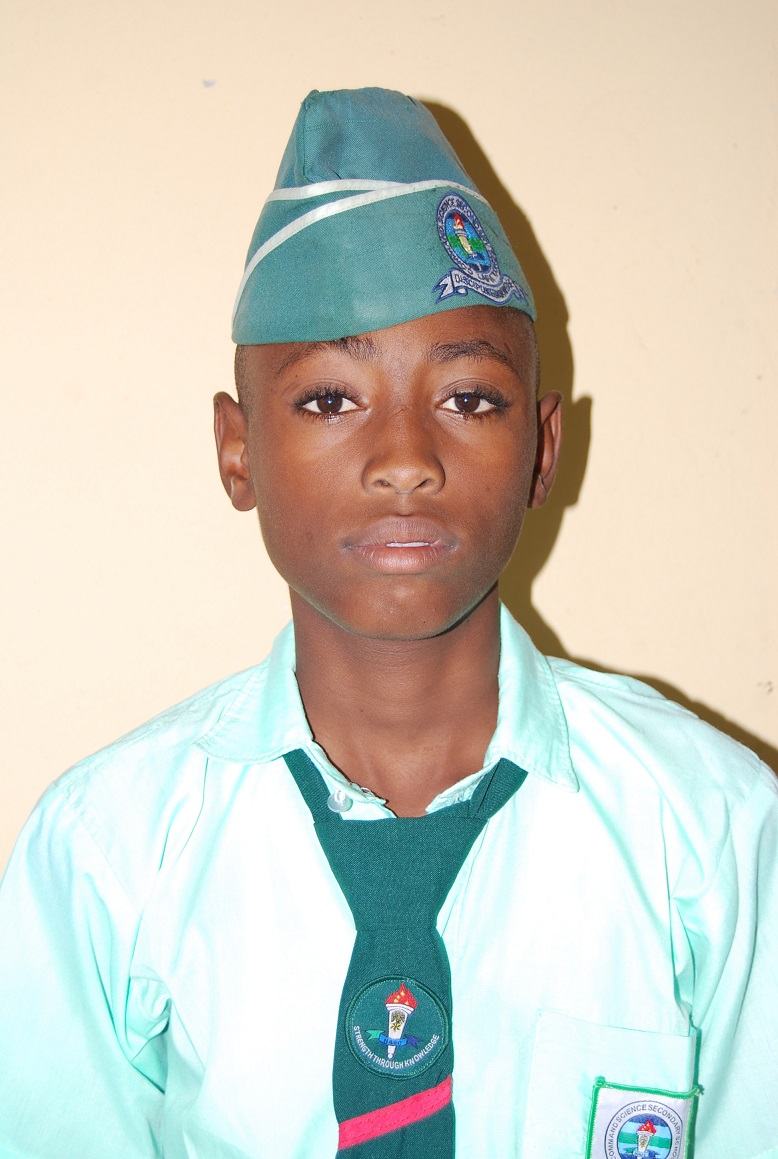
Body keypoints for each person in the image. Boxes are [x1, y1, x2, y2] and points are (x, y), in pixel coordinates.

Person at [0, 87, 776, 1159]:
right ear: (237, 448)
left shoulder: (713, 832)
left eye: (470, 399)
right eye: (330, 399)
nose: (406, 458)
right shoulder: (109, 856)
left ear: (543, 448)